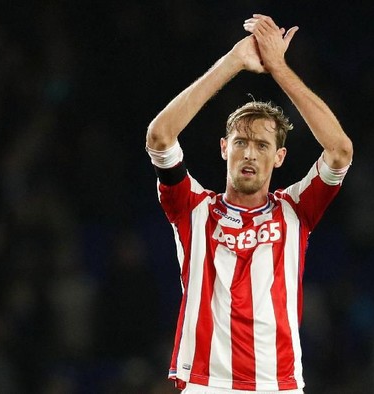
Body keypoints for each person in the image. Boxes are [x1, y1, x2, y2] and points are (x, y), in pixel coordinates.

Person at [145, 14, 353, 393]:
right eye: (241, 142)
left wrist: (278, 68)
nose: (250, 154)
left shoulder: (295, 209)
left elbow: (340, 151)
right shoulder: (193, 208)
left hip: (278, 385)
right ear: (224, 148)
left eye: (262, 145)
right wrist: (235, 61)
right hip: (205, 384)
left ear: (279, 157)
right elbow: (159, 136)